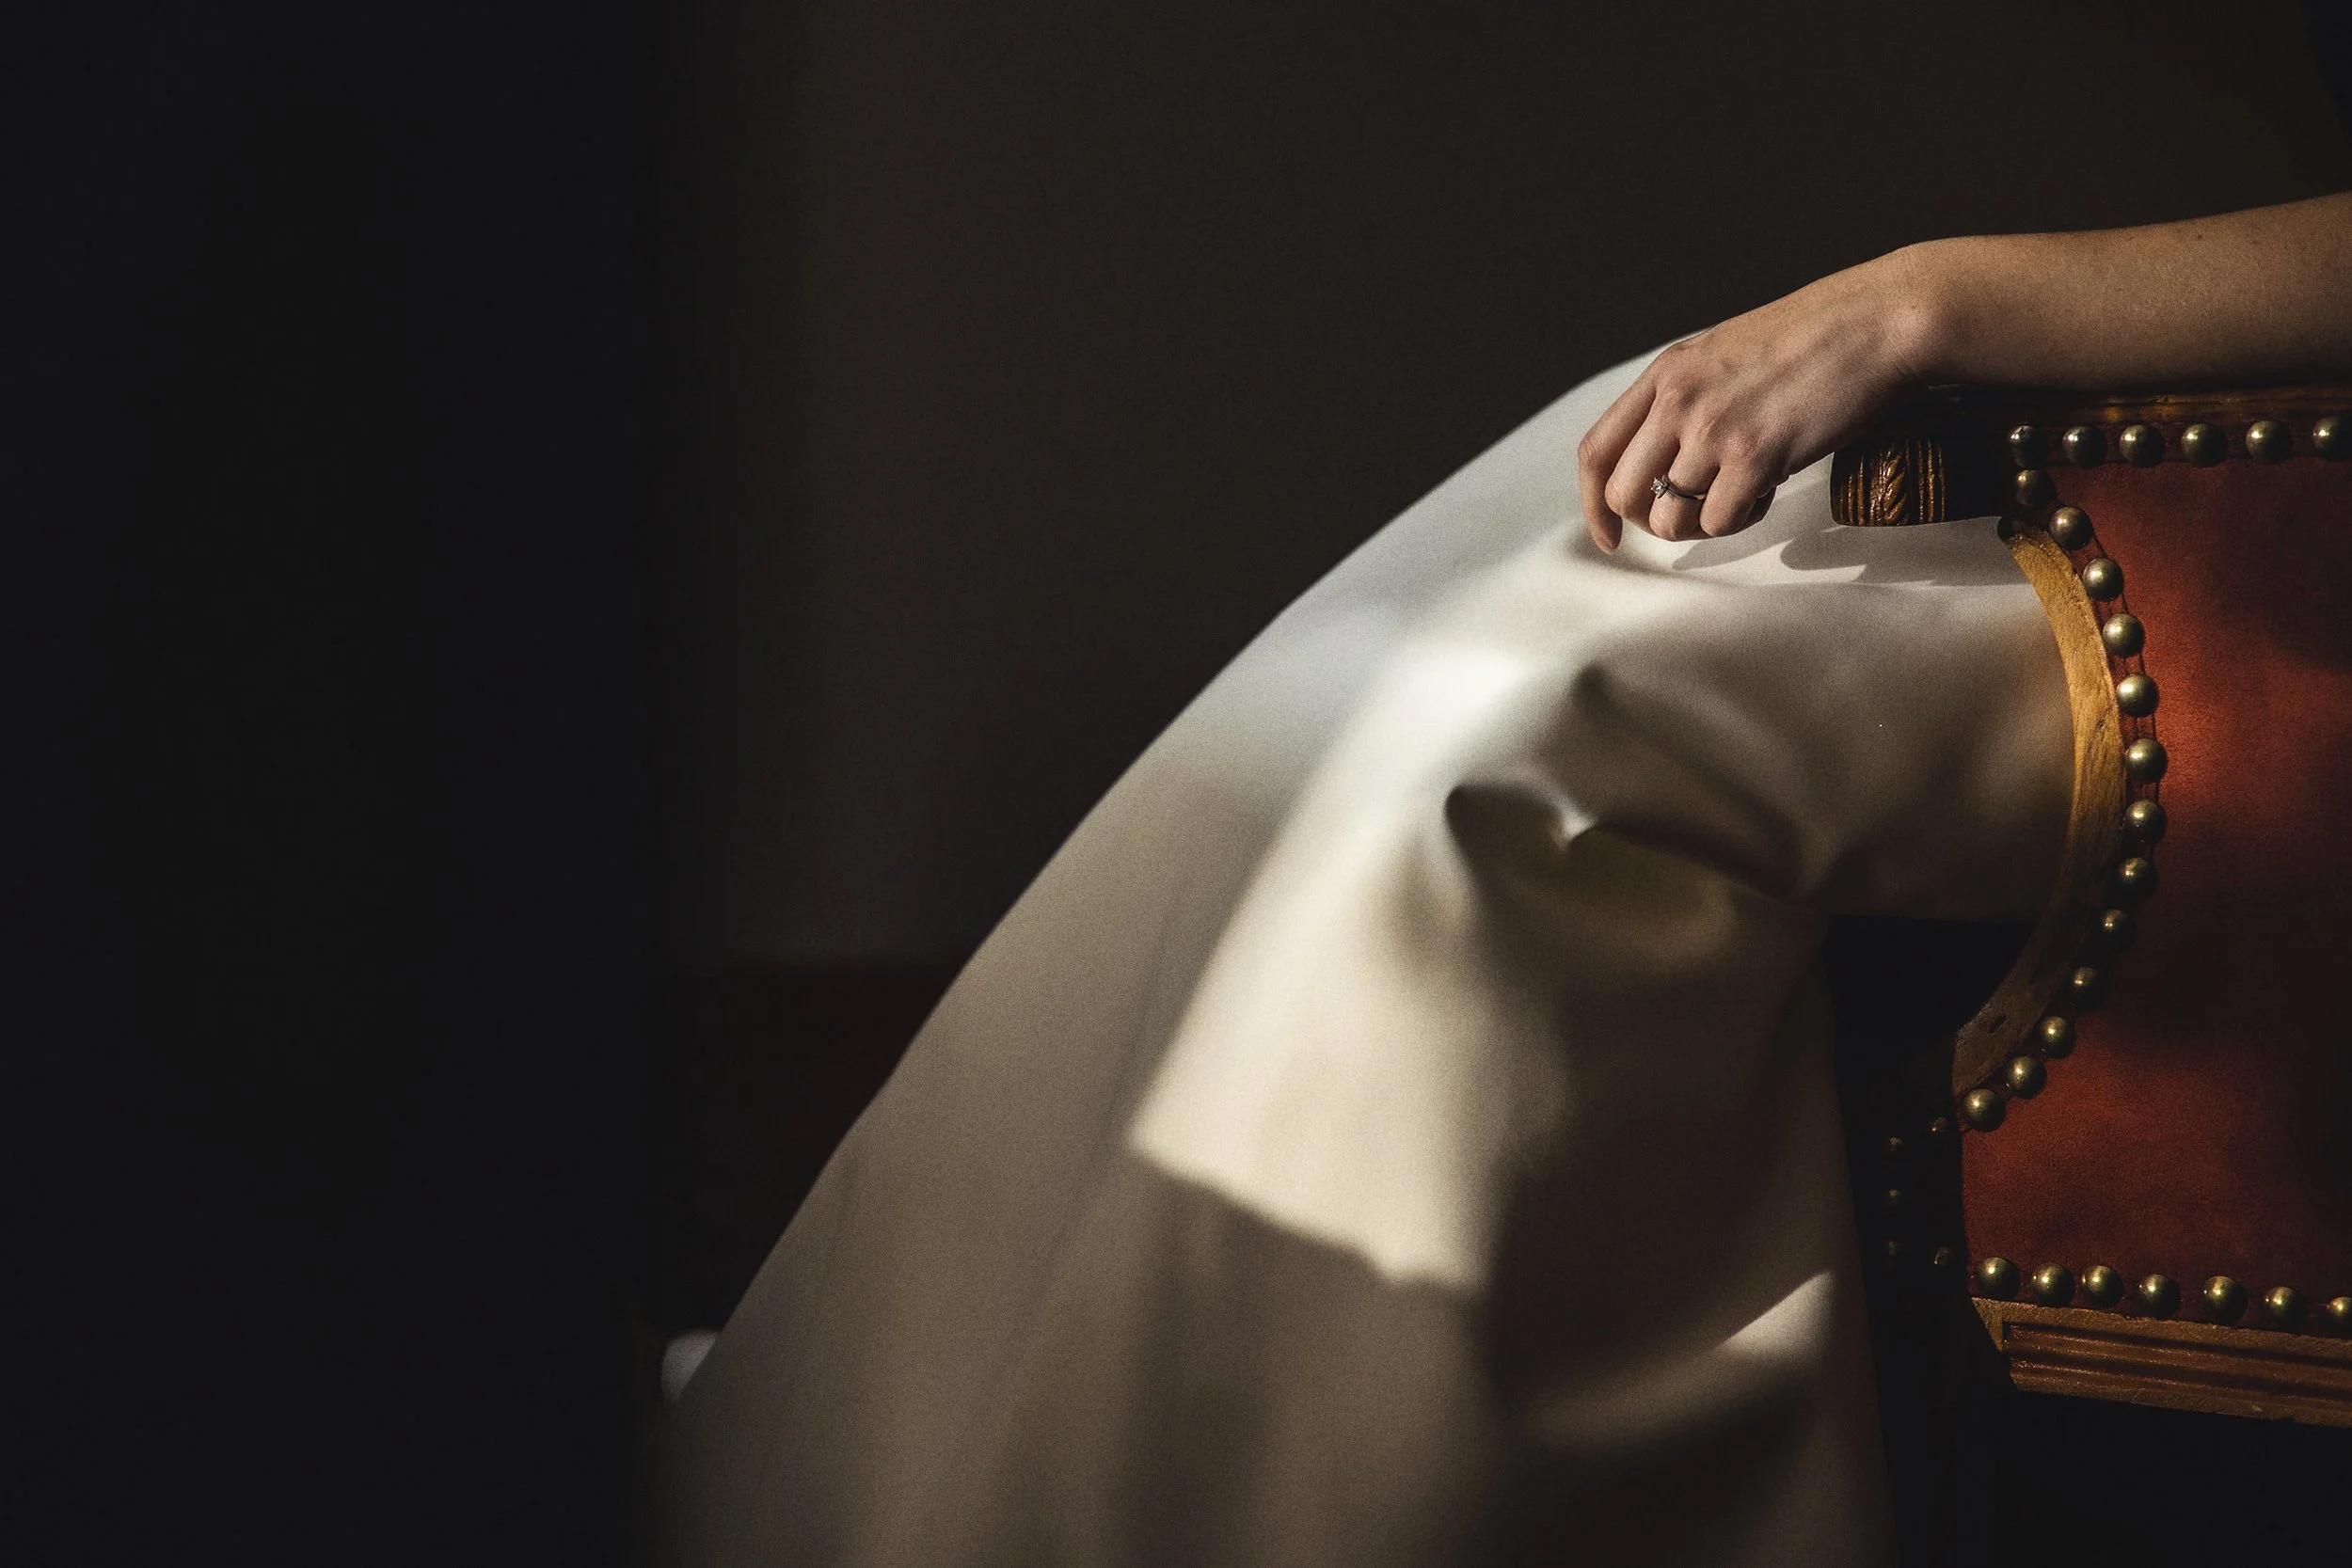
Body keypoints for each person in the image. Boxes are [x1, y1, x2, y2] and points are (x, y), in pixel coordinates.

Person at [658, 194, 2352, 1568]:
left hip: (2266, 574)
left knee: (1501, 766)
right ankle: (903, 1472)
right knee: (1353, 699)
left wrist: (1926, 299)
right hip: (2202, 445)